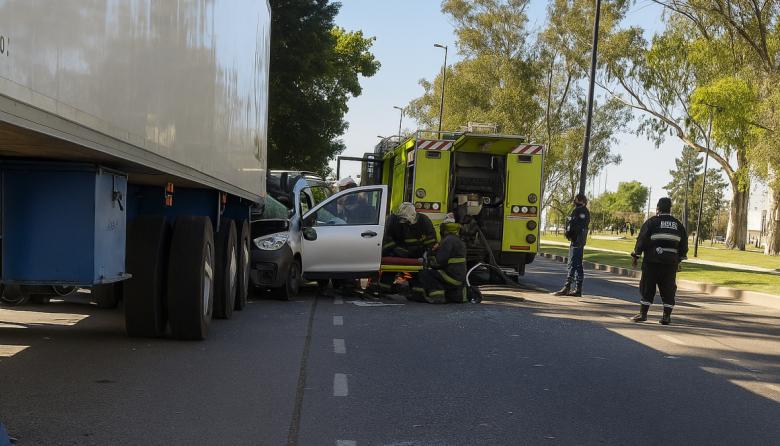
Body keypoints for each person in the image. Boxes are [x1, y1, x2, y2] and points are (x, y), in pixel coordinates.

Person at [630, 197, 688, 325]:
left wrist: (636, 256)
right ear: (670, 209)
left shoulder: (651, 222)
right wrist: (679, 260)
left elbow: (642, 240)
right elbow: (683, 245)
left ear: (657, 208)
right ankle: (666, 317)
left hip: (652, 261)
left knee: (647, 287)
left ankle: (643, 314)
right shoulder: (678, 224)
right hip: (670, 263)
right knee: (668, 289)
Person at [378, 202, 437, 293]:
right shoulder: (393, 220)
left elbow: (430, 240)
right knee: (389, 272)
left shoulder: (424, 220)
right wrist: (396, 250)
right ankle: (384, 288)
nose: (405, 222)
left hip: (417, 253)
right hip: (397, 252)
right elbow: (387, 239)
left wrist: (427, 253)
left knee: (417, 275)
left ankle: (417, 291)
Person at [411, 218, 467, 304]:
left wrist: (430, 256)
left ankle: (437, 297)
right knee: (435, 274)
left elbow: (439, 262)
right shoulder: (458, 240)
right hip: (458, 277)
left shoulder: (447, 241)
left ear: (444, 230)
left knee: (427, 273)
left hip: (451, 275)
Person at [553, 193, 590, 297]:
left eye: (576, 199)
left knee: (573, 263)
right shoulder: (582, 211)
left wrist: (570, 233)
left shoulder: (580, 211)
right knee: (577, 264)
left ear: (580, 200)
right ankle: (577, 288)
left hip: (577, 240)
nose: (575, 201)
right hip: (577, 240)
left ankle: (567, 287)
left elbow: (576, 225)